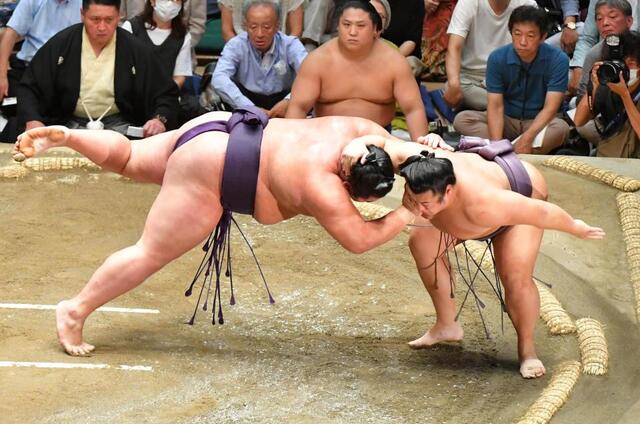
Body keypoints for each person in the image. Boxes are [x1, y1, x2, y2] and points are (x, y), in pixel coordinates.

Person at [12, 108, 440, 356]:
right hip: (217, 171)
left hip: (220, 126)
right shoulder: (324, 188)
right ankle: (74, 309)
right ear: (354, 192)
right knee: (149, 252)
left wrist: (427, 148)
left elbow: (405, 149)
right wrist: (406, 212)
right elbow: (359, 240)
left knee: (129, 157)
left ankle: (70, 136)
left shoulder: (363, 132)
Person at [340, 134, 605, 379]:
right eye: (412, 200)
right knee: (421, 241)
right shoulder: (416, 160)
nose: (416, 210)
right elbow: (383, 141)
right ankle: (447, 326)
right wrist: (359, 144)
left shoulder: (488, 203)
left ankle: (528, 351)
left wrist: (576, 227)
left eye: (425, 205)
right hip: (467, 197)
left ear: (449, 192)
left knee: (515, 276)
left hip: (520, 188)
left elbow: (543, 213)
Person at [17, 0, 179, 137]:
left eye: (109, 20)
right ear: (82, 15)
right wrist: (33, 120)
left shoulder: (135, 48)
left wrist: (159, 119)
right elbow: (29, 87)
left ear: (119, 16)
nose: (102, 27)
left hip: (120, 126)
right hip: (67, 124)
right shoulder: (62, 43)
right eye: (95, 19)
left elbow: (165, 93)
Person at [286, 0, 429, 140]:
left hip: (379, 140)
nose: (352, 32)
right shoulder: (317, 60)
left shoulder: (394, 62)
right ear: (338, 27)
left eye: (361, 25)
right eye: (346, 24)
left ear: (376, 29)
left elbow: (413, 109)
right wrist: (291, 148)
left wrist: (423, 152)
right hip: (326, 139)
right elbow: (298, 107)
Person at [453, 5, 570, 154]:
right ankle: (513, 152)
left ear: (543, 37)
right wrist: (496, 145)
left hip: (538, 122)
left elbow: (550, 108)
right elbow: (495, 106)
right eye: (517, 34)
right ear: (511, 33)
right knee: (463, 120)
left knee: (561, 129)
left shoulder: (558, 59)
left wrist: (527, 138)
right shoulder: (497, 58)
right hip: (507, 120)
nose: (522, 41)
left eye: (530, 36)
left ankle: (516, 149)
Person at [0, 0, 82, 140]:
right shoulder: (32, 1)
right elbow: (10, 33)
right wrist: (1, 76)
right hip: (27, 69)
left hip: (64, 73)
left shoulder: (83, 4)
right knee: (15, 109)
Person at [211, 0, 307, 117]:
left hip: (284, 101)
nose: (259, 34)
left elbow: (310, 76)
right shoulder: (236, 45)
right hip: (245, 99)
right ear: (245, 26)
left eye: (266, 27)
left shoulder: (291, 45)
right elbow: (219, 78)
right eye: (253, 27)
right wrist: (247, 106)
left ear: (277, 26)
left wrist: (289, 101)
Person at [442, 0, 537, 111]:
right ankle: (512, 108)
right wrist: (454, 84)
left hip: (508, 77)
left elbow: (533, 49)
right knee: (451, 86)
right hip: (471, 77)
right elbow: (454, 47)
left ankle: (500, 109)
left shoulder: (526, 4)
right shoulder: (469, 3)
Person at [573, 30, 640, 157]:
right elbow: (579, 121)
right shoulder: (608, 86)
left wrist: (625, 96)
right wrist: (594, 86)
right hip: (610, 156)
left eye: (631, 64)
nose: (624, 69)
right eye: (620, 64)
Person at [569, 0, 635, 97]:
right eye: (599, 19)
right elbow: (583, 96)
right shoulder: (594, 54)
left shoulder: (636, 50)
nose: (605, 23)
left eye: (612, 17)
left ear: (629, 21)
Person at [121, 0, 193, 89]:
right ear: (152, 1)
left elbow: (179, 78)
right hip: (133, 96)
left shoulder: (183, 36)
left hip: (166, 98)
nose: (170, 3)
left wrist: (164, 95)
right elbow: (121, 70)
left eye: (176, 0)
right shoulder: (131, 28)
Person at [120, 0, 206, 70]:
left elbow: (197, 26)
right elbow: (118, 19)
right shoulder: (131, 25)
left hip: (177, 60)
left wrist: (174, 50)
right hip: (133, 60)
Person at [219, 0, 303, 42]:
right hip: (241, 43)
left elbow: (296, 31)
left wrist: (284, 50)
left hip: (280, 45)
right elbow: (227, 31)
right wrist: (239, 49)